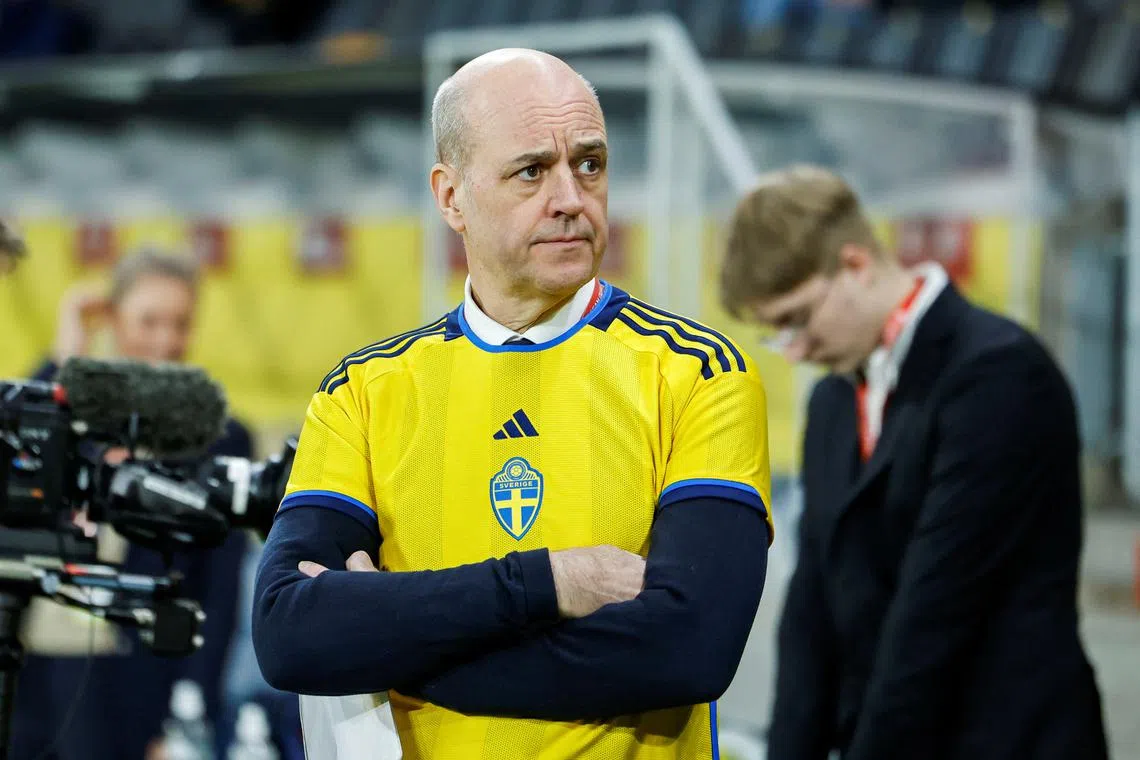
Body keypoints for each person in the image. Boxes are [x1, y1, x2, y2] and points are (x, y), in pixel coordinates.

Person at [253, 49, 773, 759]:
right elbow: (289, 635)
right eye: (532, 171)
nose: (570, 197)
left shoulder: (698, 373)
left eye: (589, 164)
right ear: (450, 196)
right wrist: (552, 582)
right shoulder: (362, 390)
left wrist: (395, 639)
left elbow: (689, 652)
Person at [720, 165, 1109, 760]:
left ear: (854, 264)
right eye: (778, 333)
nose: (795, 351)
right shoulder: (833, 402)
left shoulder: (997, 376)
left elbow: (934, 618)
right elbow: (812, 606)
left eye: (798, 319)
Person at [9, 248, 254, 760]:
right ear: (114, 319)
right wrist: (65, 352)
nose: (166, 340)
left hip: (142, 679)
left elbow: (220, 592)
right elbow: (17, 452)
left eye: (181, 323)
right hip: (38, 668)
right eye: (148, 320)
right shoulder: (69, 413)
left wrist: (188, 716)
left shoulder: (222, 438)